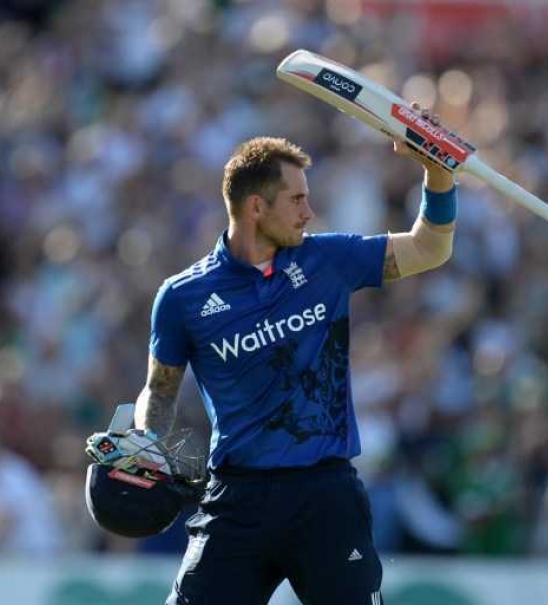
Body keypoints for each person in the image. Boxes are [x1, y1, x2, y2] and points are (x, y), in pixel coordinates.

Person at [135, 104, 457, 605]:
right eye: (297, 200)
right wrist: (144, 449)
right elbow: (159, 393)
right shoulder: (182, 298)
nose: (309, 212)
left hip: (325, 495)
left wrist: (436, 176)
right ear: (256, 207)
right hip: (238, 500)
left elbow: (429, 248)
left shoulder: (328, 258)